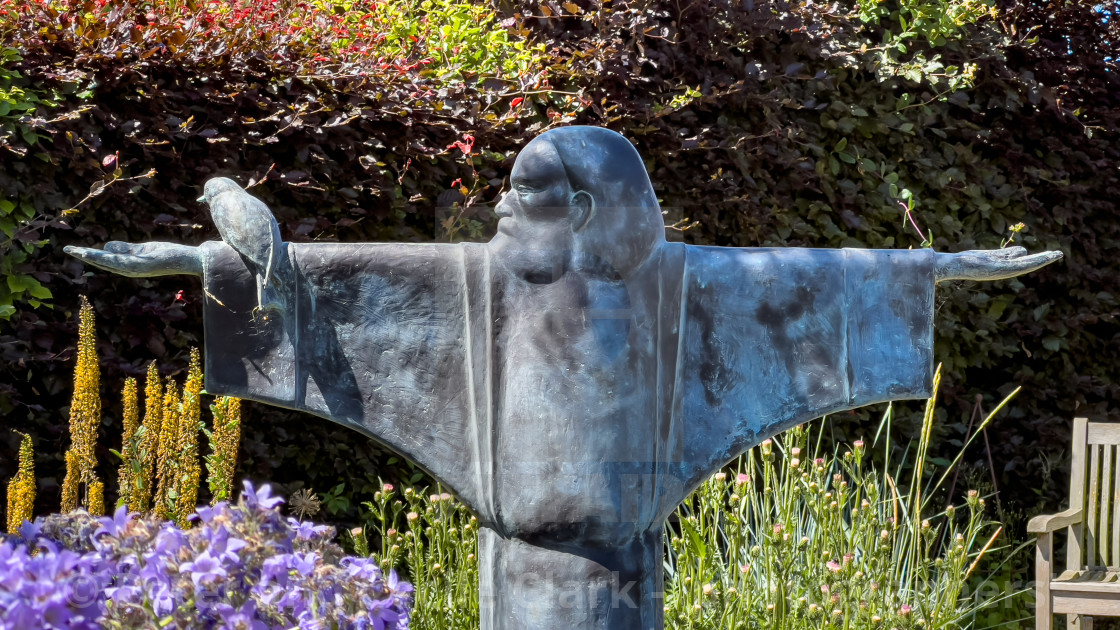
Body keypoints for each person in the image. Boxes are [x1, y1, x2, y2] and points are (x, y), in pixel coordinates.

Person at [66, 126, 1061, 630]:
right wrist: (199, 261)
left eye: (522, 195)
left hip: (627, 578)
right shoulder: (477, 283)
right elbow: (332, 276)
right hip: (517, 573)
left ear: (584, 209)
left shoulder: (682, 285)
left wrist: (936, 270)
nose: (499, 213)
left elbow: (807, 286)